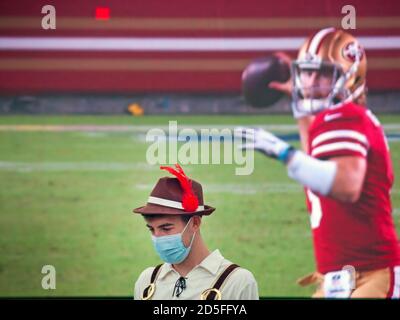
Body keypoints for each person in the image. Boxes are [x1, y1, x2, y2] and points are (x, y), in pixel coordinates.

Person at [236, 28, 400, 298]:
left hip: (373, 275)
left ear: (350, 75)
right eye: (307, 72)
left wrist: (283, 153)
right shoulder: (333, 119)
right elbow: (314, 165)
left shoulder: (347, 117)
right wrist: (299, 105)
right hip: (340, 277)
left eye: (323, 73)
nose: (311, 82)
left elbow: (346, 186)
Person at [133, 164, 259, 300]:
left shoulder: (237, 282)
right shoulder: (147, 280)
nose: (157, 238)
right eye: (151, 229)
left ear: (195, 223)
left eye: (166, 228)